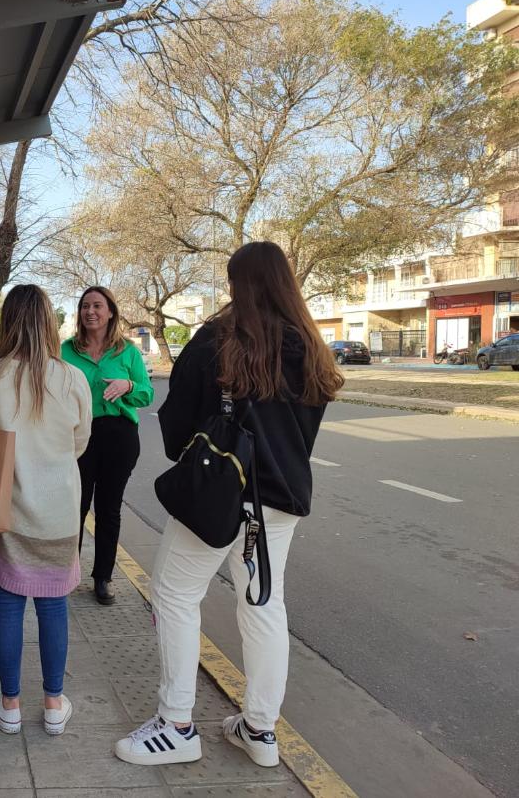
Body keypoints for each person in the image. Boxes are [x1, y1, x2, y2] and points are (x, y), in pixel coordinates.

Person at [115, 242, 343, 768]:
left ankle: (176, 725)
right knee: (264, 606)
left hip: (217, 495)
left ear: (239, 284)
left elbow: (175, 431)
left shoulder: (217, 340)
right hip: (279, 504)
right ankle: (260, 730)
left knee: (174, 594)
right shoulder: (310, 348)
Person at [0, 285, 92, 737]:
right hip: (59, 513)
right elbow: (80, 443)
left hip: (7, 511)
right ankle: (54, 703)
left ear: (7, 323)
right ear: (50, 326)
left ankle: (10, 704)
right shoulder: (72, 378)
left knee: (8, 603)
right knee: (55, 606)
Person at [62, 286, 154, 604]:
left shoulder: (127, 351)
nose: (91, 311)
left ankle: (103, 578)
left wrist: (128, 384)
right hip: (79, 435)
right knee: (75, 506)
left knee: (109, 509)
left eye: (97, 306)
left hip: (119, 435)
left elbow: (147, 393)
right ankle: (66, 573)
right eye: (85, 306)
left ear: (110, 311)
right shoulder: (66, 350)